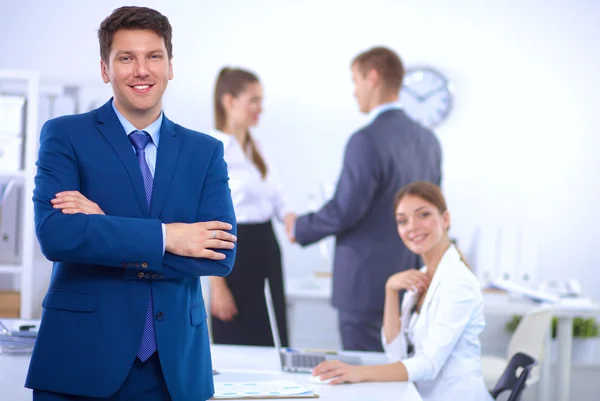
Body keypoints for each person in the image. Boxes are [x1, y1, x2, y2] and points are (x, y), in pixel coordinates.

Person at [25, 6, 237, 401]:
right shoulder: (65, 136)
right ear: (106, 69)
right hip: (80, 361)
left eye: (153, 56)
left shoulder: (205, 151)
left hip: (174, 372)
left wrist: (104, 226)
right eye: (126, 58)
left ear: (170, 66)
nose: (142, 70)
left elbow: (219, 254)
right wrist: (167, 237)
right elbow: (57, 237)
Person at [287, 46, 442, 352]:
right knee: (398, 373)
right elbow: (432, 209)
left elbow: (346, 209)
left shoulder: (366, 140)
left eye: (355, 80)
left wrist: (300, 228)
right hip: (412, 279)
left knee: (366, 376)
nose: (354, 91)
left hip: (364, 286)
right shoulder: (428, 141)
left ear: (372, 78)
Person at [312, 181, 493, 401]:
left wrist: (358, 373)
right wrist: (390, 290)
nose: (412, 227)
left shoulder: (459, 284)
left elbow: (428, 364)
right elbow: (396, 354)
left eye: (423, 215)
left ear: (445, 219)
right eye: (402, 221)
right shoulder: (423, 276)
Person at [208, 67, 292, 347]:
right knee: (237, 339)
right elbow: (205, 221)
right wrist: (217, 286)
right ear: (229, 101)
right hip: (234, 254)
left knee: (273, 335)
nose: (260, 108)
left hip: (267, 249)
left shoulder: (257, 147)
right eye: (253, 100)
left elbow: (279, 198)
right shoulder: (212, 149)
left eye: (261, 100)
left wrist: (296, 222)